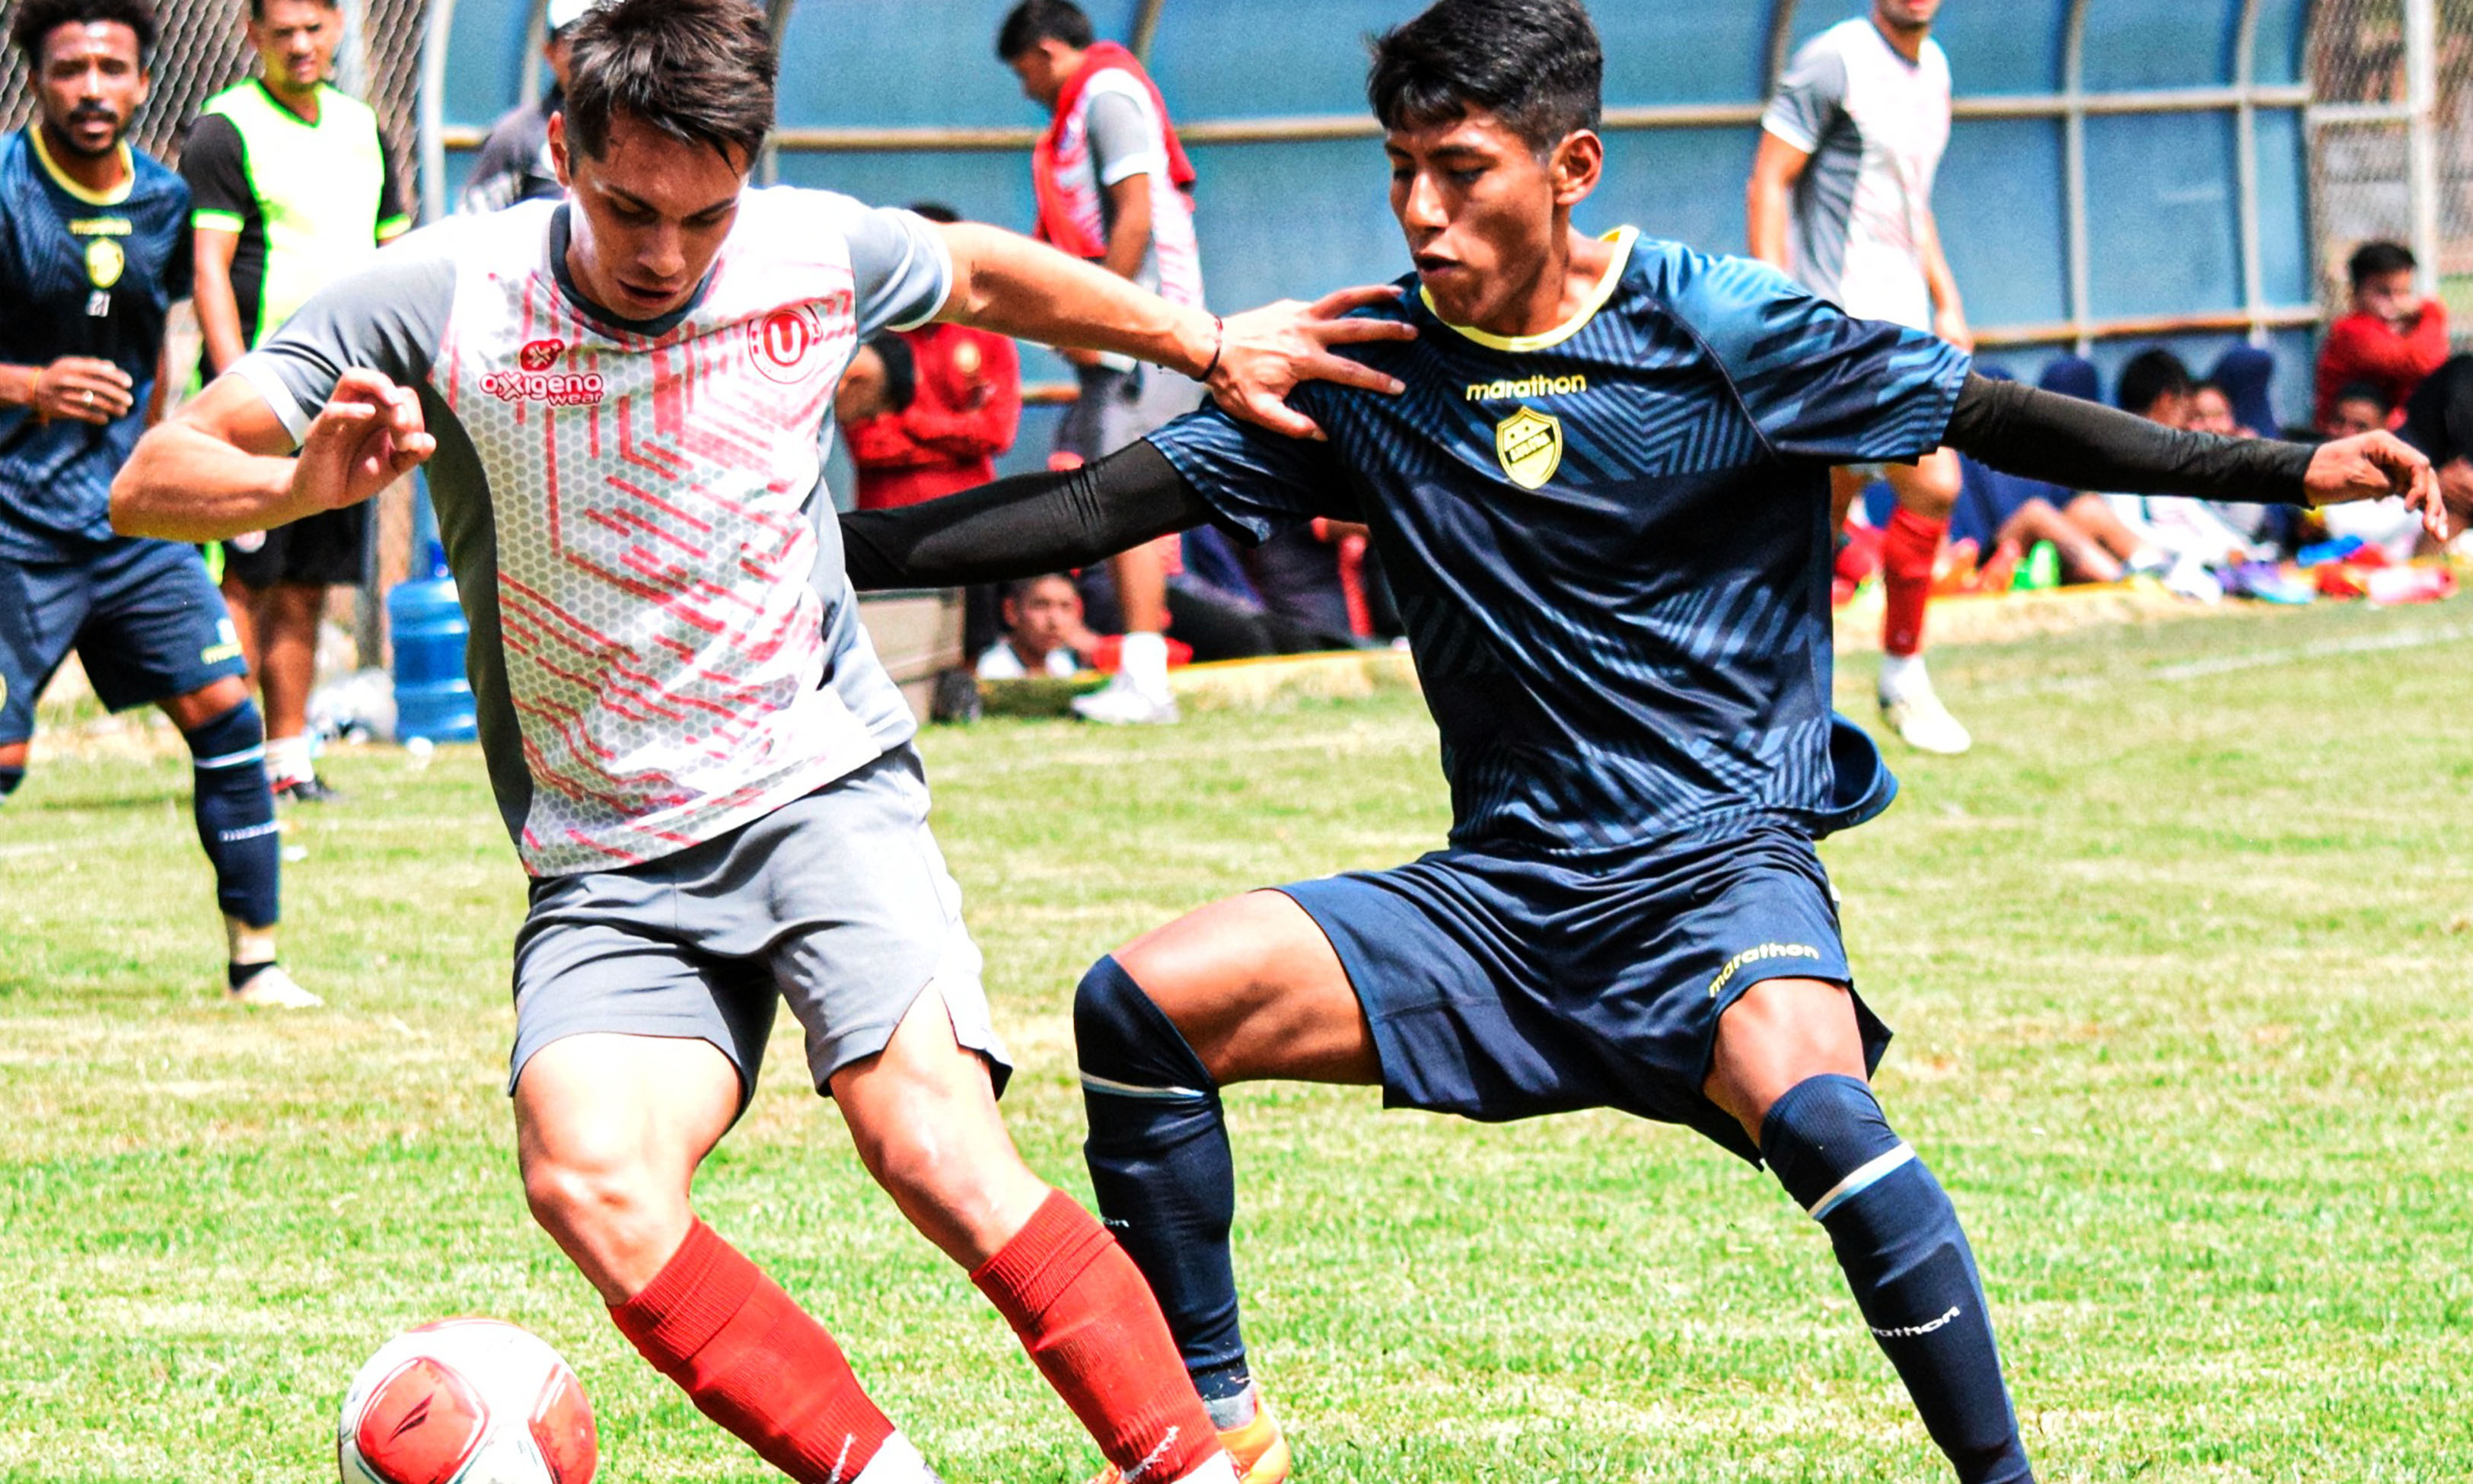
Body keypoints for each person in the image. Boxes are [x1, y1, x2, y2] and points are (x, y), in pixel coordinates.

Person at [833, 2, 2456, 1480]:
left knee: (1818, 1115)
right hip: (1501, 904)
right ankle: (1219, 1439)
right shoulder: (1368, 369)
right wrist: (810, 549)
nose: (1417, 212)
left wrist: (2287, 471)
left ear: (1570, 166)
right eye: (1399, 170)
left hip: (1713, 879)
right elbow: (1088, 507)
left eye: (1458, 174)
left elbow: (1989, 414)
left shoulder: (1724, 327)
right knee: (1138, 1008)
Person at [111, 2, 1410, 1479]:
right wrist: (295, 486)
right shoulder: (438, 295)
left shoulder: (809, 250)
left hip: (818, 789)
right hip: (606, 863)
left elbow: (980, 272)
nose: (666, 253)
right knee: (592, 1180)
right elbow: (154, 478)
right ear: (564, 154)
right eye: (627, 211)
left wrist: (1197, 335)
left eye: (704, 214)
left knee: (928, 1144)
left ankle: (1188, 1462)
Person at [0, 0, 313, 1008]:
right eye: (69, 69)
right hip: (14, 525)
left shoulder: (168, 202)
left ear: (144, 83)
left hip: (130, 522)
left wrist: (176, 462)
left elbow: (165, 346)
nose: (92, 88)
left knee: (228, 715)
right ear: (35, 80)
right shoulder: (5, 190)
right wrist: (29, 386)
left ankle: (256, 963)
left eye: (112, 69)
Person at [184, 0, 412, 803]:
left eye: (314, 28)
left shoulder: (362, 127)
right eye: (282, 33)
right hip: (261, 405)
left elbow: (395, 256)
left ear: (337, 26)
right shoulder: (224, 129)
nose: (301, 46)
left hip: (346, 402)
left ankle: (288, 761)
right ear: (253, 36)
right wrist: (232, 389)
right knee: (243, 581)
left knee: (307, 585)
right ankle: (232, 762)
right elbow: (209, 266)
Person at [1750, 0, 1974, 754]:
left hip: (1903, 326)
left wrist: (1946, 298)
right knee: (1934, 484)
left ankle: (1784, 701)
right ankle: (1900, 673)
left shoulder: (1936, 70)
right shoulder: (1833, 59)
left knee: (1820, 524)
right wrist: (1770, 310)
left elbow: (1912, 206)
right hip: (1837, 332)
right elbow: (1769, 180)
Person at [1000, 0, 1204, 725]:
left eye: (1027, 74)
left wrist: (1103, 320)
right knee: (1117, 498)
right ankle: (1139, 671)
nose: (1028, 92)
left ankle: (1147, 680)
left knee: (1134, 499)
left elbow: (1137, 214)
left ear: (1049, 52)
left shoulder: (1107, 93)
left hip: (1142, 340)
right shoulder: (1086, 105)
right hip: (1127, 337)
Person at [846, 202, 1024, 510]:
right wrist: (960, 435)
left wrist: (911, 422)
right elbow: (868, 445)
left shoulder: (990, 335)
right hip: (888, 522)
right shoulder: (868, 331)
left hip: (970, 518)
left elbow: (998, 433)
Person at [457, 0, 592, 214]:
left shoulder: (637, 133)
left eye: (601, 39)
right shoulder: (516, 137)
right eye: (577, 42)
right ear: (550, 52)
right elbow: (472, 225)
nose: (590, 54)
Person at [2314, 240, 2447, 430]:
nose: (2396, 303)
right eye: (2383, 293)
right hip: (2347, 438)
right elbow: (2421, 361)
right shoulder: (2351, 330)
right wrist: (2431, 312)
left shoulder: (2397, 330)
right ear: (2355, 294)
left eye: (2403, 292)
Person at [977, 573, 1091, 680]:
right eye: (1041, 605)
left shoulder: (1064, 665)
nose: (1055, 622)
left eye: (1065, 606)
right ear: (1011, 611)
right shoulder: (991, 670)